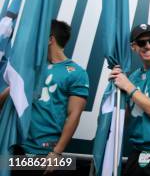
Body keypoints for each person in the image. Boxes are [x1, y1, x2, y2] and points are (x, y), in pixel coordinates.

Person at [2, 20, 89, 174]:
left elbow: (74, 115)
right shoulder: (29, 68)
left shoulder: (77, 73)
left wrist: (57, 152)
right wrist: (13, 87)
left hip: (45, 154)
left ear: (50, 39)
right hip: (17, 149)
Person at [108, 24, 150, 176]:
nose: (148, 46)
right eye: (142, 43)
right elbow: (128, 116)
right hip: (136, 151)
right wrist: (114, 90)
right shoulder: (133, 76)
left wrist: (128, 87)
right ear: (133, 47)